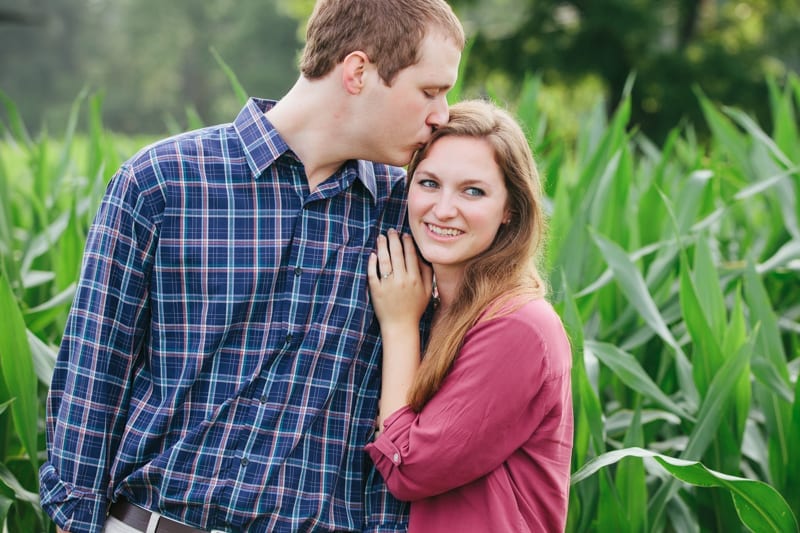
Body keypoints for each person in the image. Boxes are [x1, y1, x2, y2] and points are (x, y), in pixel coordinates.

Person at [39, 1, 464, 531]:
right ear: (358, 71)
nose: (441, 115)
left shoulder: (410, 219)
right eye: (430, 90)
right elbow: (93, 373)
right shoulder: (163, 182)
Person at [365, 99, 574, 532]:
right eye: (428, 183)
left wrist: (400, 326)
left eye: (472, 191)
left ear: (510, 209)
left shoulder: (519, 326)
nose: (442, 209)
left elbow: (411, 467)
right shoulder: (444, 309)